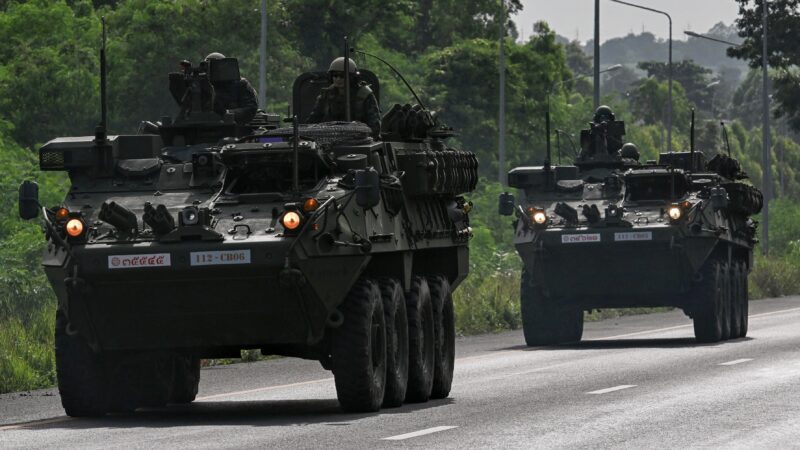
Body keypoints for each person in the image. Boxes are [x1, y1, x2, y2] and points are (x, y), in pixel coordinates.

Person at [306, 57, 381, 137]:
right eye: (335, 75)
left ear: (352, 77)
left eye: (342, 76)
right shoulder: (326, 95)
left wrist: (359, 130)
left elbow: (375, 128)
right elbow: (312, 121)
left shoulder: (364, 95)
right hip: (331, 140)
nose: (338, 79)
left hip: (360, 141)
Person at [204, 52, 258, 124]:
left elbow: (250, 109)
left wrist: (227, 113)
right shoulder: (201, 85)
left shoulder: (240, 84)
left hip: (235, 128)